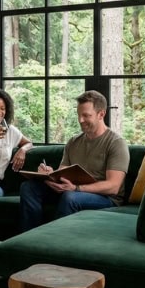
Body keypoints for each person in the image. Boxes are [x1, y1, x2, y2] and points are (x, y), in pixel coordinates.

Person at [18, 90, 130, 232]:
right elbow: (63, 172)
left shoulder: (116, 143)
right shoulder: (73, 142)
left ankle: (53, 242)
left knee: (70, 197)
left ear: (101, 114)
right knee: (29, 187)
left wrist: (76, 188)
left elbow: (113, 186)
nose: (80, 120)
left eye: (86, 115)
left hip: (105, 198)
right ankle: (28, 239)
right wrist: (50, 174)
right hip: (72, 190)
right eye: (79, 115)